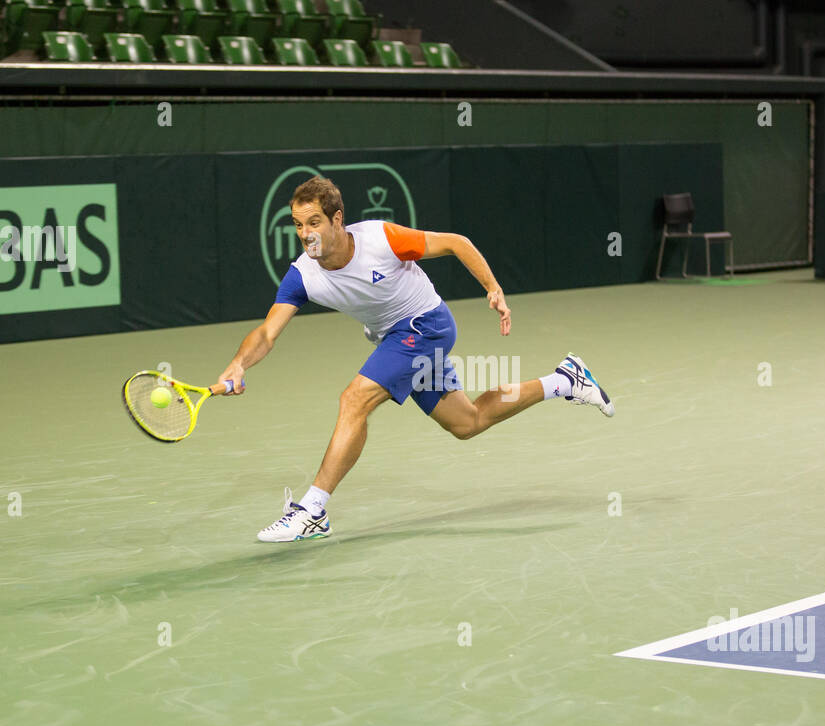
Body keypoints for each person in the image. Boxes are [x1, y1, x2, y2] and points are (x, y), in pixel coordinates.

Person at [214, 176, 614, 542]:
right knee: (467, 422)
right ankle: (566, 379)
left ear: (337, 219)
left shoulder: (381, 239)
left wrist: (492, 287)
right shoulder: (303, 275)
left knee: (355, 399)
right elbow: (267, 332)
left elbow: (456, 242)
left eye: (314, 222)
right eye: (298, 225)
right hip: (395, 338)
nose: (306, 234)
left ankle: (312, 509)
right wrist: (240, 364)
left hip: (427, 325)